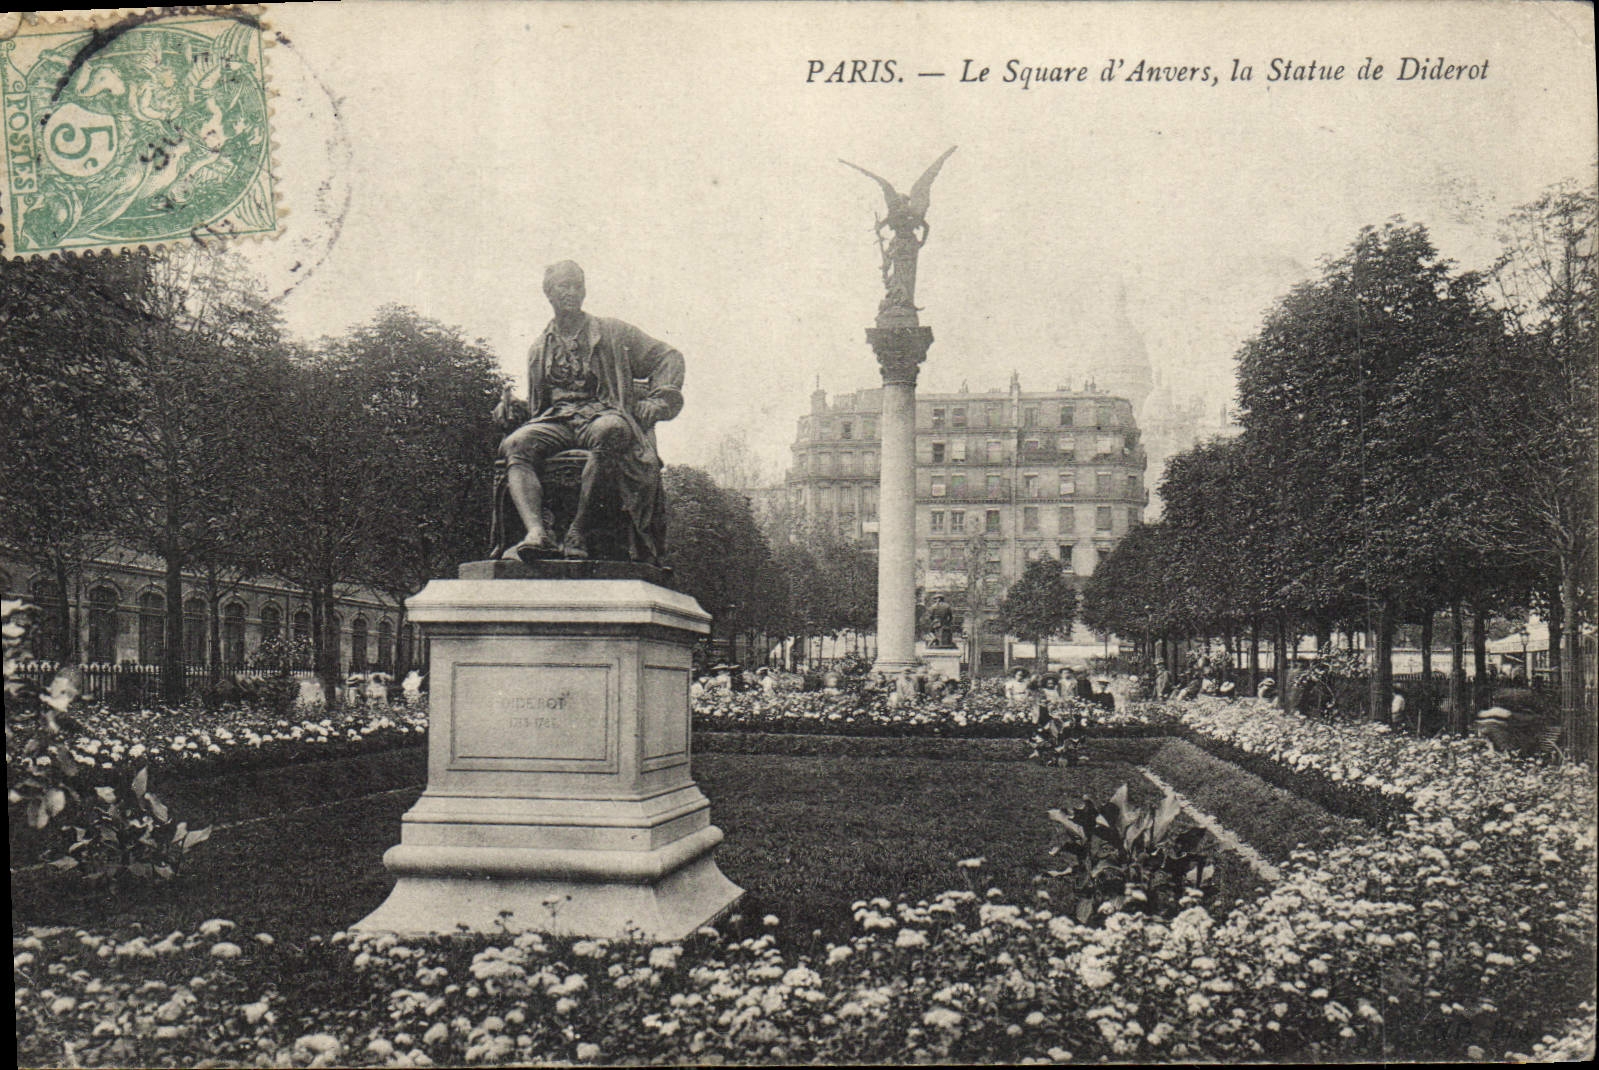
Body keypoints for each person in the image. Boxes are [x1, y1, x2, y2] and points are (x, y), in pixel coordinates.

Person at [496, 261, 685, 563]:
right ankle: (537, 533)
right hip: (557, 419)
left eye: (577, 286)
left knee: (609, 431)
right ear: (549, 293)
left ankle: (578, 530)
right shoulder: (538, 348)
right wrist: (511, 408)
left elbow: (669, 357)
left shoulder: (613, 332)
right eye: (564, 286)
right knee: (515, 444)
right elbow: (538, 406)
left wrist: (658, 400)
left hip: (603, 413)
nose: (572, 292)